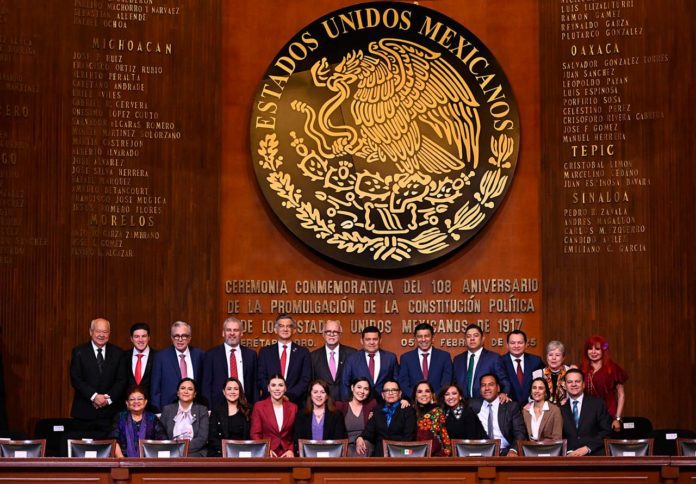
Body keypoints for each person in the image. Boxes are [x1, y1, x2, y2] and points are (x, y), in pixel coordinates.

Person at [70, 318, 126, 436]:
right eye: (98, 331)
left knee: (109, 445)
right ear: (91, 332)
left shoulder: (118, 353)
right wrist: (94, 396)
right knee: (82, 445)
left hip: (110, 414)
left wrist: (106, 399)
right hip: (84, 412)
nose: (101, 335)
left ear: (109, 333)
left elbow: (121, 380)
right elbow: (76, 378)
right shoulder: (79, 351)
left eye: (105, 332)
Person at [203, 317, 258, 408]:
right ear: (223, 333)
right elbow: (206, 385)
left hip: (245, 406)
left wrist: (255, 408)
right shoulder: (211, 355)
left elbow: (254, 385)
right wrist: (208, 408)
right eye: (228, 330)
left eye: (236, 330)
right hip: (219, 407)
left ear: (241, 333)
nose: (232, 333)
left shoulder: (251, 355)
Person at [257, 314, 311, 405]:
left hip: (295, 403)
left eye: (289, 326)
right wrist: (275, 394)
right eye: (281, 326)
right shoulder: (265, 352)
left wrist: (288, 396)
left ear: (294, 330)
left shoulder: (303, 353)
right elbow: (261, 378)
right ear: (275, 330)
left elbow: (305, 379)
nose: (285, 329)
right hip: (269, 403)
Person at [151, 321, 204, 412]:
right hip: (168, 410)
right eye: (176, 336)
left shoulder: (200, 355)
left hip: (195, 409)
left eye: (184, 336)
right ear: (172, 338)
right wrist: (158, 412)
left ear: (189, 338)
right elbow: (155, 390)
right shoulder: (161, 357)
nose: (180, 339)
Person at [469, 374, 526, 456]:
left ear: (498, 388)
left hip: (504, 453)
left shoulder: (510, 407)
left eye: (491, 384)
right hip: (480, 452)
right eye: (483, 385)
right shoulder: (472, 405)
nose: (487, 388)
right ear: (480, 389)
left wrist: (513, 450)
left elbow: (520, 433)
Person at [356, 380, 416, 457]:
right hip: (380, 454)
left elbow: (409, 437)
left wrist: (396, 451)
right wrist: (360, 438)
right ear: (382, 395)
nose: (390, 393)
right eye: (387, 390)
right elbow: (369, 431)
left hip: (400, 452)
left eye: (394, 390)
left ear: (400, 393)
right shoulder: (377, 410)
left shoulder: (408, 410)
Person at [341, 326, 399, 402]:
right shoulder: (352, 359)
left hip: (385, 404)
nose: (371, 342)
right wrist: (348, 404)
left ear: (380, 340)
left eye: (375, 339)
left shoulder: (390, 358)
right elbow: (345, 383)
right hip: (360, 404)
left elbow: (397, 381)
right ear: (362, 341)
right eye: (368, 339)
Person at [581, 335, 628, 431]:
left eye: (597, 349)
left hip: (608, 413)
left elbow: (621, 395)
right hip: (588, 414)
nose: (593, 352)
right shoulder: (582, 368)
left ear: (603, 350)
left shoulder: (612, 368)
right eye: (590, 349)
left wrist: (617, 418)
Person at [561, 368, 612, 456]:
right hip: (569, 456)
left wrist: (587, 448)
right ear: (565, 386)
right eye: (569, 382)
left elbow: (606, 431)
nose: (574, 384)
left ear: (584, 384)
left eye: (577, 381)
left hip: (594, 455)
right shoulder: (560, 408)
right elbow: (559, 436)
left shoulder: (598, 404)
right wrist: (568, 451)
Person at [452, 324, 510, 401]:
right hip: (463, 403)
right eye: (468, 336)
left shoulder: (494, 358)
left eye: (476, 336)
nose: (472, 339)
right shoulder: (458, 359)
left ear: (482, 339)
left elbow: (503, 381)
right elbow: (454, 383)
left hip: (485, 403)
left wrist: (504, 393)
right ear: (465, 340)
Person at [398, 323, 452, 400]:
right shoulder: (406, 358)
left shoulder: (444, 356)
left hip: (438, 402)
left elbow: (446, 382)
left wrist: (434, 397)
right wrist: (417, 397)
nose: (423, 339)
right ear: (415, 338)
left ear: (432, 337)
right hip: (414, 403)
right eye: (420, 336)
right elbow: (403, 383)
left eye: (426, 336)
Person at [111, 385, 167, 457]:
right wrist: (121, 459)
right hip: (123, 460)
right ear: (127, 403)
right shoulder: (120, 418)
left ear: (145, 402)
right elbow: (114, 440)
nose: (136, 401)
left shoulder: (152, 418)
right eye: (132, 399)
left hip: (149, 461)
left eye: (140, 399)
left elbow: (162, 440)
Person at [293, 379, 347, 453]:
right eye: (315, 392)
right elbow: (297, 439)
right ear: (310, 395)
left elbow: (339, 441)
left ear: (327, 396)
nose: (319, 395)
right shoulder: (301, 415)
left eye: (322, 392)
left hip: (330, 456)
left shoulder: (337, 415)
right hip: (307, 456)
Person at [160, 377, 209, 457]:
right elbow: (161, 435)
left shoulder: (202, 410)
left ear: (194, 394)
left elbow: (202, 438)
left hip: (194, 452)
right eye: (183, 388)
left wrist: (181, 449)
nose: (186, 391)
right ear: (178, 392)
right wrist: (172, 450)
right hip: (171, 451)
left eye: (190, 389)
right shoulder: (168, 410)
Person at [251, 374, 297, 457]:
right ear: (268, 388)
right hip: (267, 454)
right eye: (273, 385)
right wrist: (265, 449)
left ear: (285, 388)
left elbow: (296, 434)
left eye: (280, 385)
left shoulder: (293, 407)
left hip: (287, 454)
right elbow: (255, 434)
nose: (277, 388)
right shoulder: (259, 407)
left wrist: (291, 450)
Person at [310, 319, 356, 402]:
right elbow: (311, 383)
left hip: (347, 403)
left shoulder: (352, 354)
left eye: (335, 332)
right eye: (328, 332)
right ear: (323, 334)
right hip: (323, 403)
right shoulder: (313, 356)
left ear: (340, 334)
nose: (331, 334)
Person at [208, 377, 251, 457]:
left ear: (240, 391)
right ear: (224, 392)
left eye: (236, 389)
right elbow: (212, 437)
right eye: (229, 389)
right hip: (221, 452)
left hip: (244, 451)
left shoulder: (248, 409)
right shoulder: (217, 411)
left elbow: (251, 435)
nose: (232, 392)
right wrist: (227, 451)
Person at [335, 377, 378, 457]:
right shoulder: (340, 406)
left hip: (365, 441)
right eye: (359, 387)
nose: (362, 391)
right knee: (346, 451)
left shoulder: (371, 406)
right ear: (352, 388)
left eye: (366, 389)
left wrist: (402, 401)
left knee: (363, 448)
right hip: (346, 443)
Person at [500, 330, 544, 405]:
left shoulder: (536, 361)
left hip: (532, 406)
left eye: (520, 343)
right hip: (508, 406)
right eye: (513, 343)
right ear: (507, 345)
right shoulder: (500, 361)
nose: (516, 346)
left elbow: (544, 380)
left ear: (526, 344)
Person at [121, 323, 157, 410]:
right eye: (136, 336)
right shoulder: (123, 357)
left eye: (143, 336)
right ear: (131, 339)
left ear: (149, 338)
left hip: (152, 409)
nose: (140, 340)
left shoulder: (158, 357)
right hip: (127, 409)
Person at [413, 380, 451, 456]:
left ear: (432, 395)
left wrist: (447, 452)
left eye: (427, 391)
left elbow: (444, 434)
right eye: (420, 392)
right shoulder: (410, 411)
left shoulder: (438, 411)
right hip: (414, 453)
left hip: (435, 454)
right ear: (415, 396)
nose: (424, 394)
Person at [531, 340, 573, 406]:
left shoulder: (570, 372)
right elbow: (532, 396)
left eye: (557, 355)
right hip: (544, 409)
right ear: (547, 357)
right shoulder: (537, 374)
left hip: (566, 408)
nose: (553, 358)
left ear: (563, 357)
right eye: (550, 355)